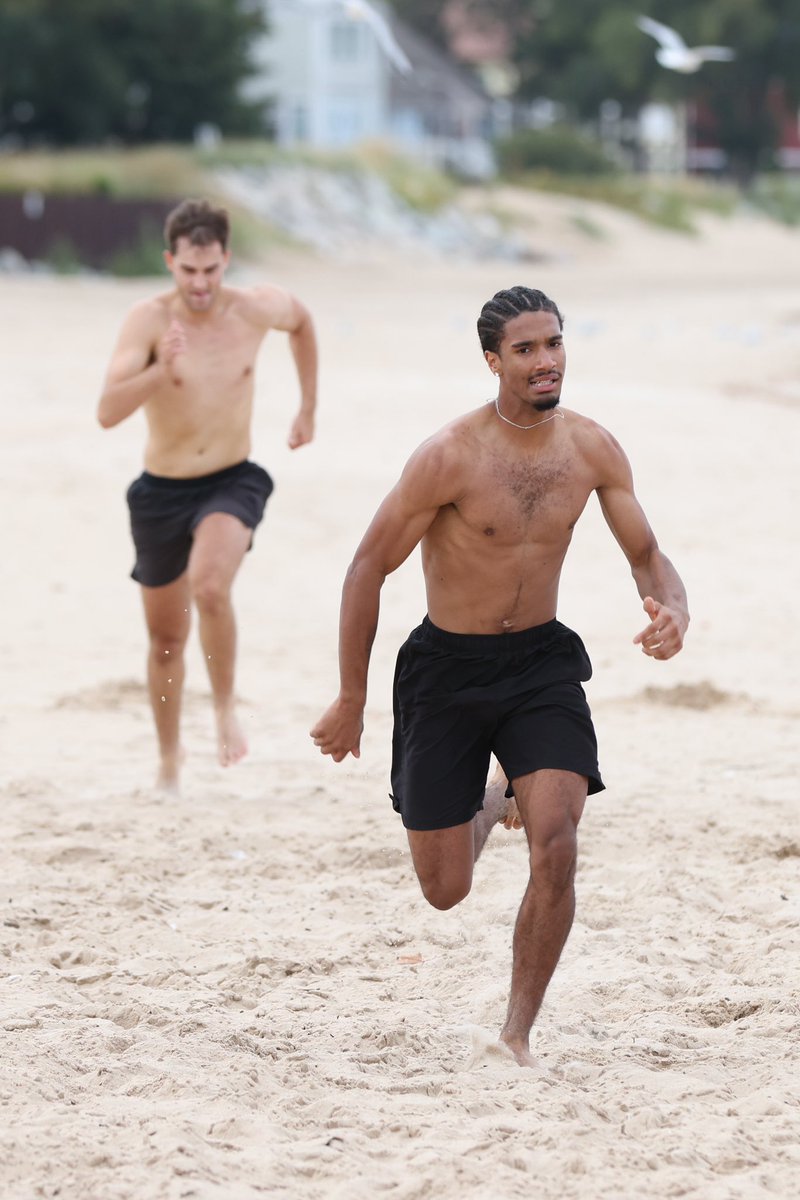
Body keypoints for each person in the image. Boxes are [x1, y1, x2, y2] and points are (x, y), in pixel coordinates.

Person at [310, 285, 688, 1067]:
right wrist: (352, 697)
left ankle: (517, 1031)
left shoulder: (591, 449)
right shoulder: (449, 455)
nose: (545, 361)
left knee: (557, 840)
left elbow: (645, 552)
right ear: (493, 361)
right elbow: (366, 568)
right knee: (444, 889)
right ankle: (491, 800)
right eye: (525, 349)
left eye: (553, 344)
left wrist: (673, 607)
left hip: (540, 665)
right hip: (446, 671)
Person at [98, 198, 318, 792]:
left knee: (211, 585)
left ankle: (224, 709)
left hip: (231, 478)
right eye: (188, 271)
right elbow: (106, 412)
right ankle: (170, 756)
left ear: (226, 260)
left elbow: (301, 322)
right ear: (171, 261)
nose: (200, 284)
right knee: (166, 641)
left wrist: (307, 406)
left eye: (211, 270)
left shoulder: (253, 309)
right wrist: (157, 371)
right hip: (160, 492)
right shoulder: (147, 322)